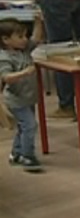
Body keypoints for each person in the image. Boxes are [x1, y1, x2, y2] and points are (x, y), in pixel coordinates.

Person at [0, 17, 45, 171]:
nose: (25, 40)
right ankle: (28, 156)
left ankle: (16, 153)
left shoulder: (24, 49)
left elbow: (36, 39)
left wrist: (38, 22)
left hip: (28, 97)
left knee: (23, 127)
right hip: (16, 100)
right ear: (6, 40)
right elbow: (6, 78)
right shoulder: (4, 58)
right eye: (20, 37)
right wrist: (25, 72)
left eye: (25, 36)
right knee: (30, 126)